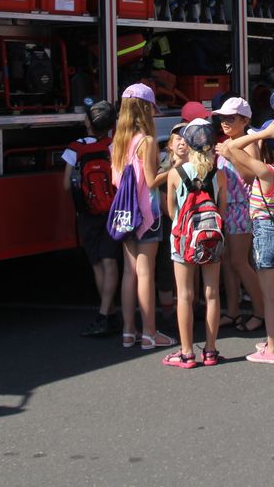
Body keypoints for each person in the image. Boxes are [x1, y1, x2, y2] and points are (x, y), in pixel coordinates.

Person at [219, 119, 274, 364]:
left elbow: (231, 149)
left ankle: (273, 349)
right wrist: (264, 135)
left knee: (269, 295)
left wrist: (257, 135)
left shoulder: (266, 171)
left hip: (267, 232)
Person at [111, 83, 177, 349]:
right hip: (147, 214)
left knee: (129, 273)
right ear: (145, 108)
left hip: (124, 214)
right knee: (146, 273)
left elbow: (116, 180)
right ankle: (150, 333)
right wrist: (173, 167)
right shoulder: (147, 142)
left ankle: (128, 331)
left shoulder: (118, 140)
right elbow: (151, 181)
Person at [162, 119, 228, 368]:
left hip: (182, 239)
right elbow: (222, 211)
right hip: (211, 238)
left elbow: (171, 212)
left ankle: (187, 352)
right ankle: (210, 351)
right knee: (211, 294)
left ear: (187, 144)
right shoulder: (218, 174)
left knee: (185, 295)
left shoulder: (175, 174)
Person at [63, 99, 119, 337]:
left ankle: (105, 312)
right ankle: (108, 313)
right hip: (112, 212)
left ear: (87, 121)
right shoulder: (112, 146)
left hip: (87, 213)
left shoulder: (74, 148)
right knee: (111, 261)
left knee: (97, 263)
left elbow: (66, 184)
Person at [213, 96, 265, 333]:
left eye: (230, 118)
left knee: (239, 262)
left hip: (242, 207)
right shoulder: (230, 141)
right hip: (227, 207)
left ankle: (261, 312)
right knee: (228, 263)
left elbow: (250, 175)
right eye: (223, 117)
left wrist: (230, 152)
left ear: (245, 120)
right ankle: (233, 312)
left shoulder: (247, 142)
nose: (225, 122)